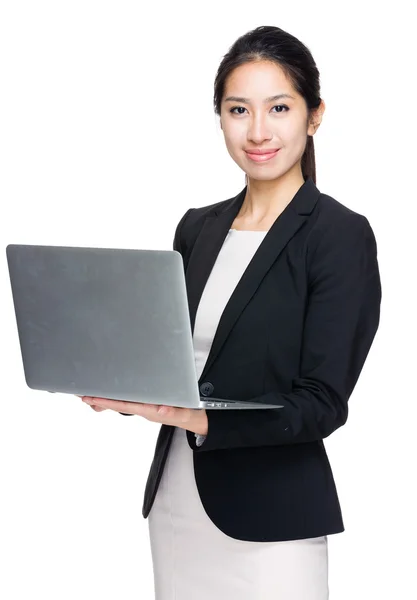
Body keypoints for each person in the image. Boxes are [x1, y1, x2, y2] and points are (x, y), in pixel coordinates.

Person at [80, 25, 382, 600]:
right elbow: (171, 360)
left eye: (280, 108)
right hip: (177, 502)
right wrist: (122, 382)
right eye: (239, 109)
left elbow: (320, 405)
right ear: (219, 116)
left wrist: (193, 417)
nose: (258, 131)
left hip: (272, 525)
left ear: (315, 116)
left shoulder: (338, 236)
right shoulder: (197, 227)